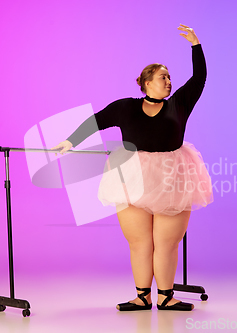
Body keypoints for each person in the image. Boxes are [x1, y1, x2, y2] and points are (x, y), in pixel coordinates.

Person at [52, 24, 213, 311]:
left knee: (166, 243)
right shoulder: (125, 107)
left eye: (170, 78)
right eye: (163, 77)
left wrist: (196, 45)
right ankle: (142, 296)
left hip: (172, 177)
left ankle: (165, 296)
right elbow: (96, 121)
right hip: (131, 176)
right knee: (139, 243)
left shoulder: (179, 104)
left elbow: (199, 78)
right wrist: (69, 141)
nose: (168, 82)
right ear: (146, 82)